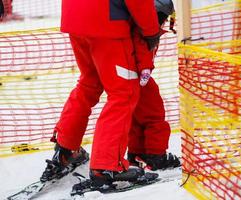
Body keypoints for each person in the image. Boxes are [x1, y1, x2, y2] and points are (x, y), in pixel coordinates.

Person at [41, 0, 162, 189]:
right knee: (124, 93)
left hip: (76, 18)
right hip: (108, 23)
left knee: (89, 83)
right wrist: (151, 30)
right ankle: (106, 167)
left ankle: (66, 150)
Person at [127, 0, 180, 171]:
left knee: (136, 118)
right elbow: (141, 48)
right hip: (140, 77)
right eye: (162, 17)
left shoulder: (137, 25)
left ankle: (137, 152)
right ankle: (156, 156)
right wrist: (145, 69)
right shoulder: (146, 30)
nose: (163, 21)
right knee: (155, 116)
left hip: (128, 77)